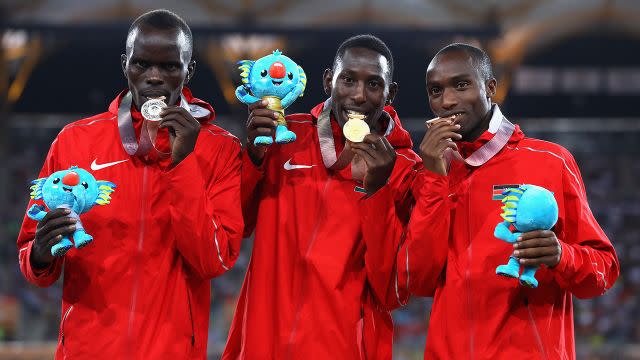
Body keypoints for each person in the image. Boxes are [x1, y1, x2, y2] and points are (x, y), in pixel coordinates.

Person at [367, 43, 620, 359]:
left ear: (490, 88)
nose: (447, 101)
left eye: (461, 85)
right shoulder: (432, 174)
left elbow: (604, 272)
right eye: (435, 90)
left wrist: (561, 256)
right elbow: (419, 280)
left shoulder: (550, 161)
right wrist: (433, 175)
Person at [16, 9, 243, 358]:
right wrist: (42, 254)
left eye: (169, 66)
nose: (154, 77)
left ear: (189, 70)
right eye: (141, 64)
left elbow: (213, 262)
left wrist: (183, 164)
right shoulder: (74, 141)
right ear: (125, 65)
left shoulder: (220, 148)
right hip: (87, 350)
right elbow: (33, 260)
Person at [222, 34, 421, 359]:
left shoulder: (406, 169)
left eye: (373, 84)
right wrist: (253, 160)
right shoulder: (284, 137)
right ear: (329, 81)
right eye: (348, 80)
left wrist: (379, 191)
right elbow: (237, 225)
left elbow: (392, 291)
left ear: (390, 93)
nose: (359, 94)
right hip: (262, 344)